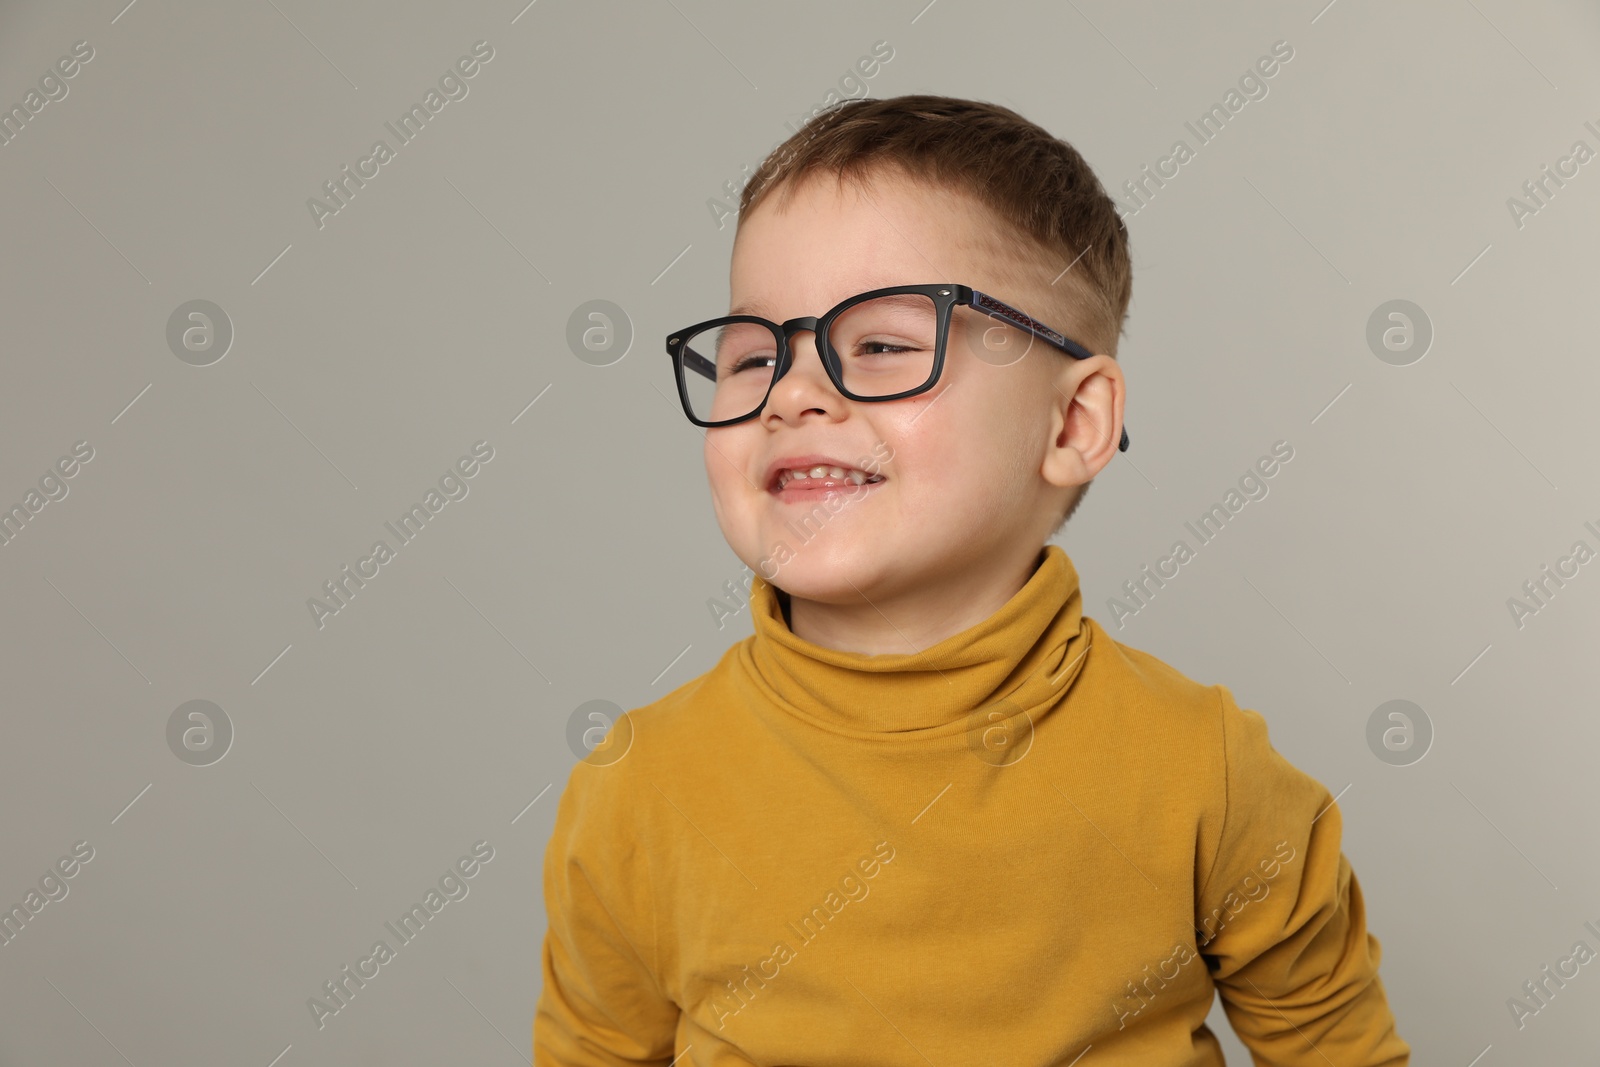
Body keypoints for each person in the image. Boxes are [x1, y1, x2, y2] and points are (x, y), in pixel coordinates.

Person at [534, 93, 1410, 1065]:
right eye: (751, 355)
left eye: (880, 344)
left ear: (1074, 425)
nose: (790, 392)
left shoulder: (1206, 773)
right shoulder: (638, 789)